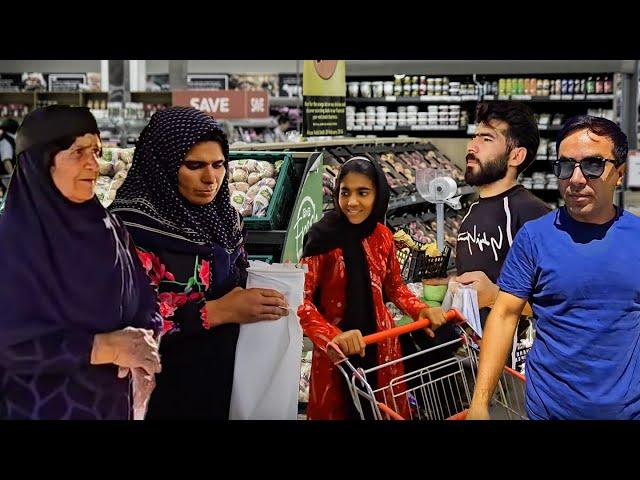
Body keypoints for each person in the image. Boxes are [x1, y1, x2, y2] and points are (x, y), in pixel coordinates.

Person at [109, 106, 289, 419]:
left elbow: (235, 278)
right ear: (162, 164)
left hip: (221, 384)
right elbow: (118, 326)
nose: (210, 178)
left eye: (219, 164)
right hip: (157, 394)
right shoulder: (128, 231)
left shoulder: (223, 218)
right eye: (194, 165)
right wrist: (216, 312)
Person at [467, 115, 640, 420]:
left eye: (593, 165)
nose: (575, 178)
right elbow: (505, 315)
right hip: (548, 410)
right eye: (564, 165)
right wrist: (480, 402)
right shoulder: (534, 237)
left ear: (620, 173)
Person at [0, 105, 161, 420]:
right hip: (36, 406)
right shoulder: (13, 243)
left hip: (111, 406)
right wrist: (101, 347)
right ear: (41, 162)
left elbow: (144, 300)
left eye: (96, 152)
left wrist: (143, 350)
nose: (93, 165)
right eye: (78, 153)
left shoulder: (110, 229)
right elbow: (9, 340)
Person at [297, 156, 449, 420]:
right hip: (338, 359)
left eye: (363, 193)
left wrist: (420, 310)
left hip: (382, 350)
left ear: (378, 195)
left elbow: (395, 286)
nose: (352, 202)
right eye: (345, 192)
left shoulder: (382, 236)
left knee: (384, 412)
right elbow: (302, 301)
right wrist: (333, 335)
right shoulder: (321, 239)